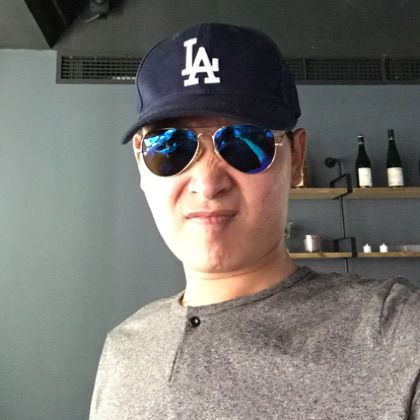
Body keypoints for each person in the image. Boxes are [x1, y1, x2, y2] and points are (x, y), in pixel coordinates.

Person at [89, 22, 420, 419]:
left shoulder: (396, 334)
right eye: (170, 148)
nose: (208, 183)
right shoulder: (124, 348)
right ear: (141, 164)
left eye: (245, 142)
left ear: (296, 159)